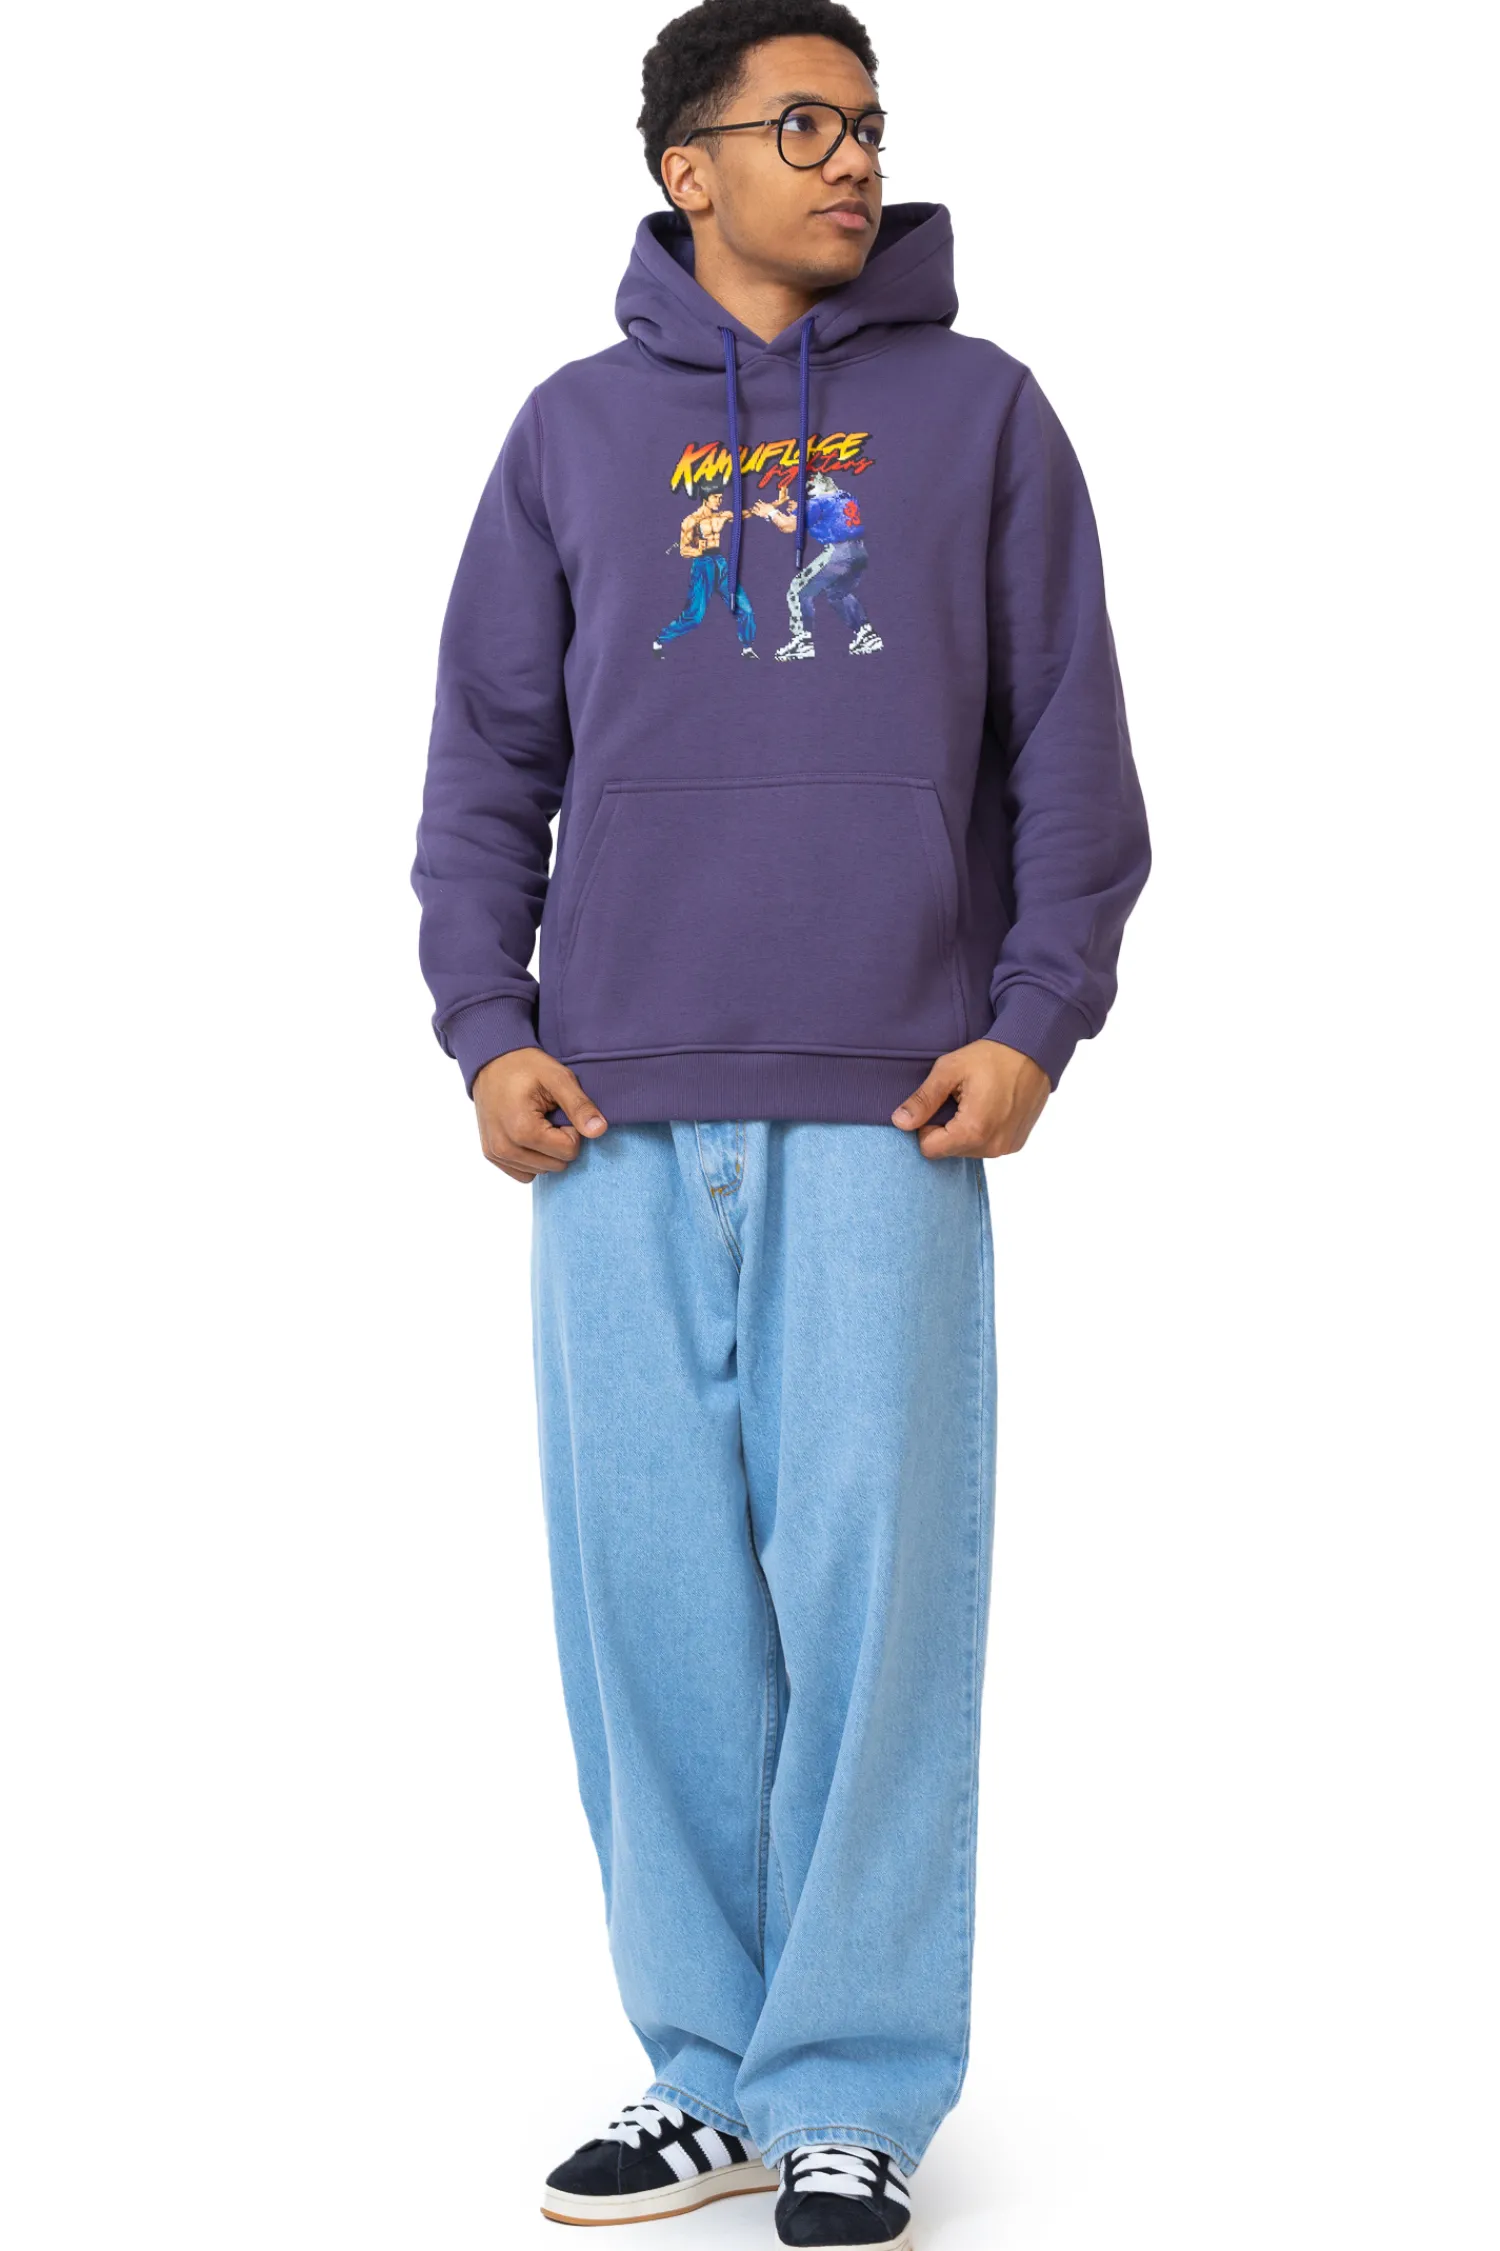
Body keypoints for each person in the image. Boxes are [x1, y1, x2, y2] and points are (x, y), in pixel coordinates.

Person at [410, 2, 1151, 2241]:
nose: (852, 159)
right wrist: (484, 1024)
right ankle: (707, 2069)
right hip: (612, 1108)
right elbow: (484, 762)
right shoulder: (570, 431)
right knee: (650, 1618)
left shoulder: (984, 413)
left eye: (868, 123)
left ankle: (855, 2079)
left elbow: (1074, 755)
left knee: (875, 1617)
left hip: (891, 1102)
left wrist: (1038, 1020)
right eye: (803, 122)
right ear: (687, 166)